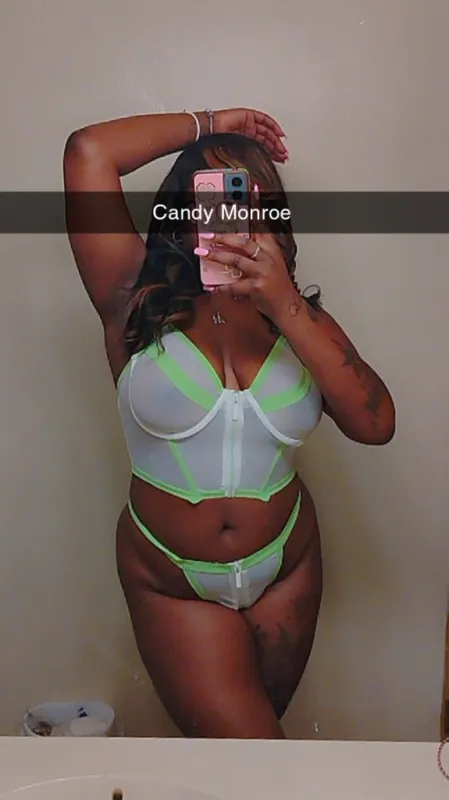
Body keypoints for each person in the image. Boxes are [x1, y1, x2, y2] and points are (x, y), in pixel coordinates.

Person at [63, 107, 395, 739]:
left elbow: (375, 424)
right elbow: (88, 152)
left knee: (246, 762)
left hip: (289, 566)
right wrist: (212, 121)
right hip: (171, 579)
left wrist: (284, 301)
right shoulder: (132, 299)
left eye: (250, 196)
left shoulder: (297, 320)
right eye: (213, 196)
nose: (232, 214)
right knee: (257, 758)